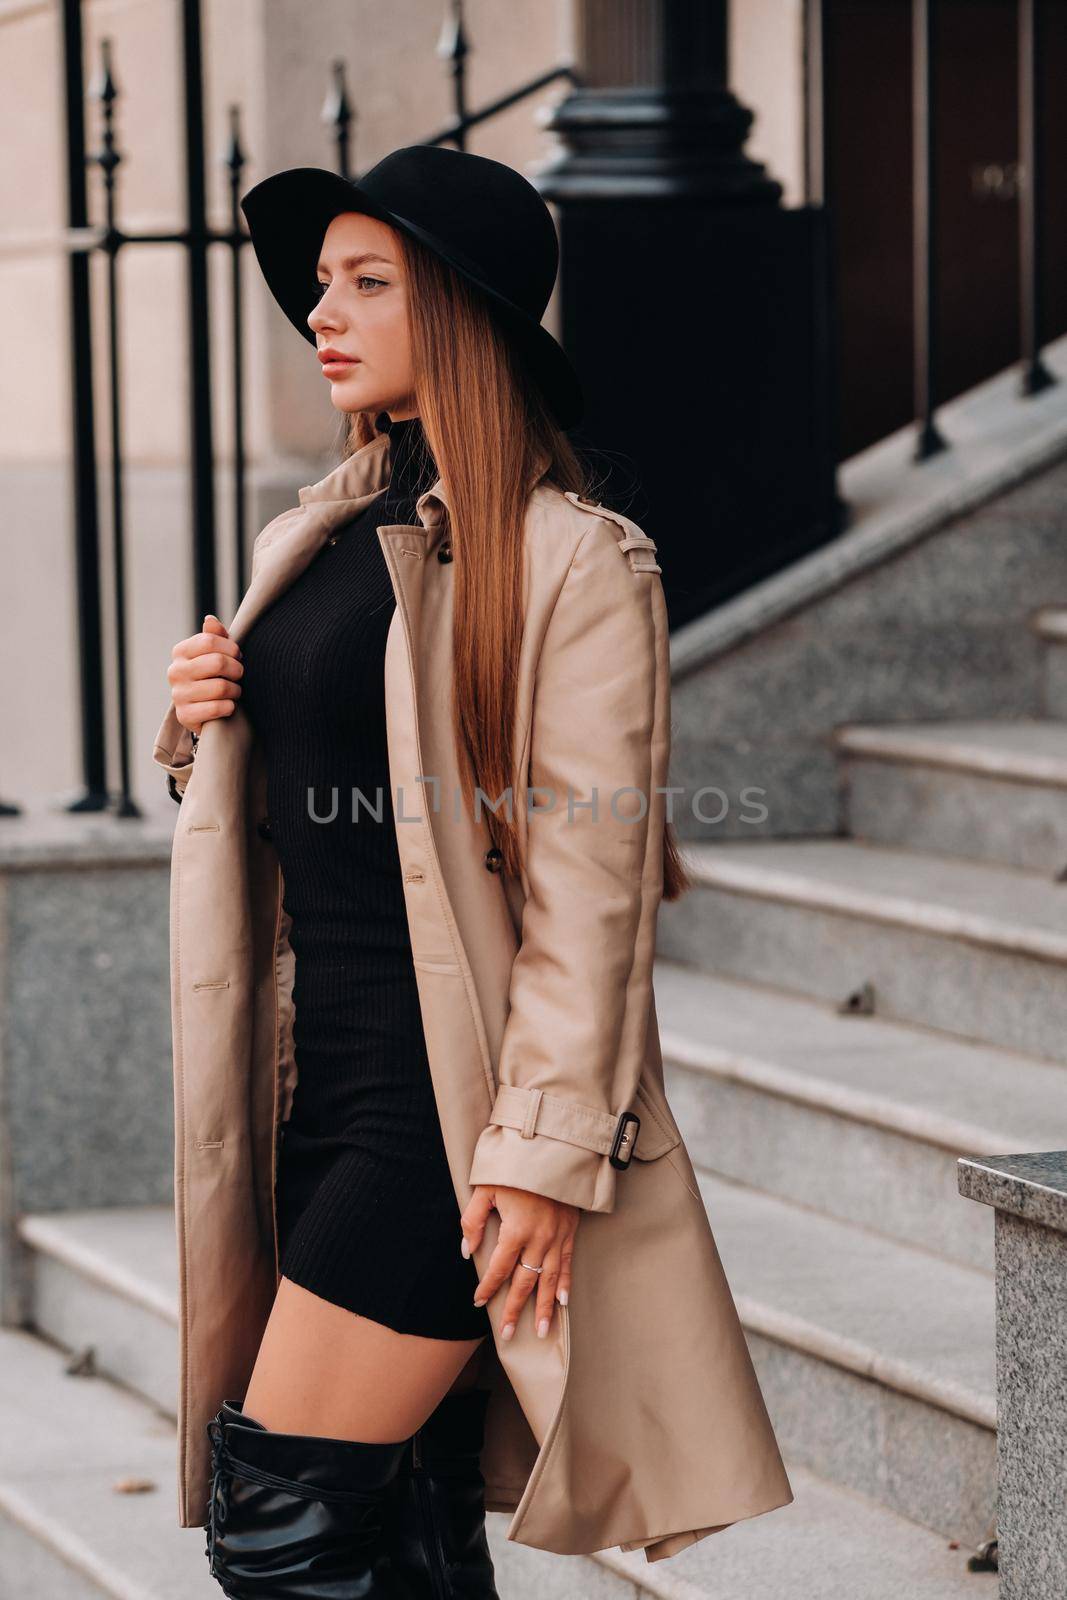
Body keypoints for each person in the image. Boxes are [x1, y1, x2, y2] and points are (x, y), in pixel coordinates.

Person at [158, 144, 792, 1598]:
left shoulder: (573, 564)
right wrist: (199, 718)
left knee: (283, 1527)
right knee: (406, 1524)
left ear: (463, 311)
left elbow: (594, 900)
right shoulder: (311, 531)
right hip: (313, 1092)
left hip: (442, 1124)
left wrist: (542, 1155)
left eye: (367, 284)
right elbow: (315, 800)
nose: (324, 312)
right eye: (320, 285)